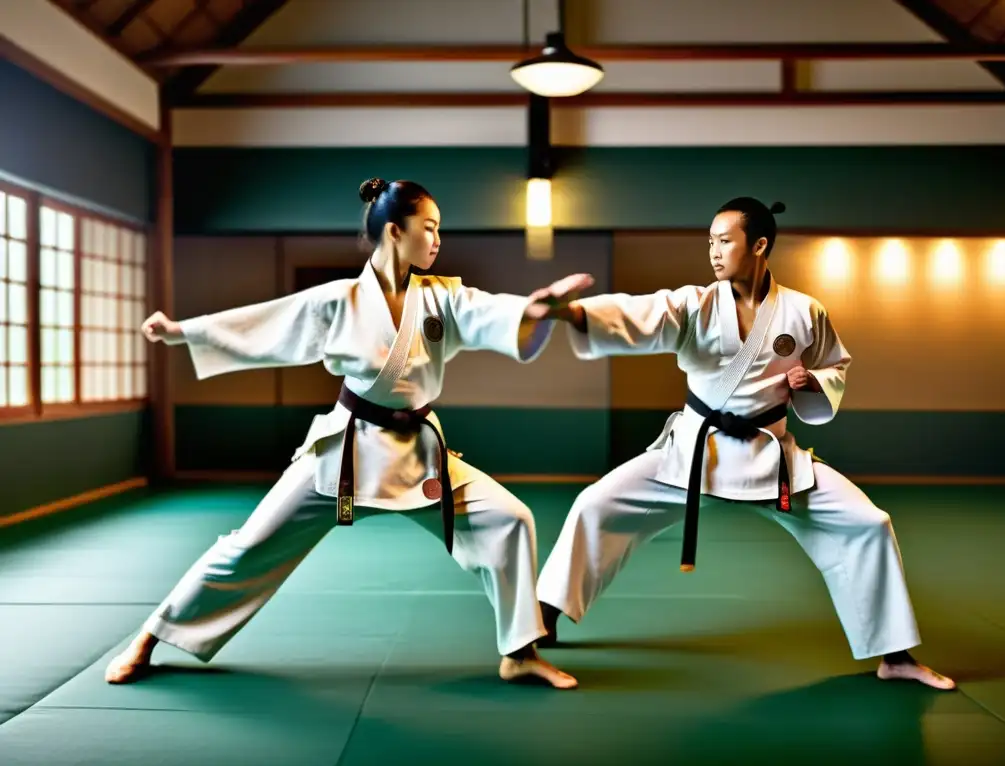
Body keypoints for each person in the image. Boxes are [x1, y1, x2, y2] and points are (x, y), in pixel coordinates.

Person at [105, 177, 592, 690]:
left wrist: (536, 309)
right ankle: (151, 637)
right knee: (248, 546)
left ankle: (520, 651)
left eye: (439, 230)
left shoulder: (444, 296)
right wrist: (183, 332)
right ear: (393, 232)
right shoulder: (339, 300)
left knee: (510, 519)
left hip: (420, 456)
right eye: (428, 228)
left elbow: (493, 312)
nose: (437, 240)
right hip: (344, 453)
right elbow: (266, 324)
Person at [533, 197, 955, 691]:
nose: (713, 252)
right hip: (693, 451)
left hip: (770, 456)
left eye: (725, 241)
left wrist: (812, 381)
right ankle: (544, 618)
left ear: (759, 245)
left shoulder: (803, 310)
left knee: (868, 522)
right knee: (596, 503)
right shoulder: (696, 302)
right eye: (709, 241)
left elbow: (835, 365)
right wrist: (574, 314)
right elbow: (642, 314)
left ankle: (895, 655)